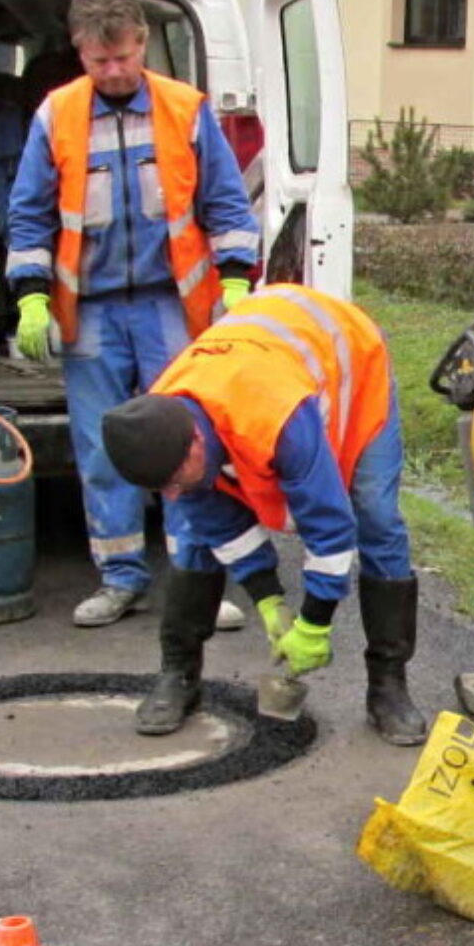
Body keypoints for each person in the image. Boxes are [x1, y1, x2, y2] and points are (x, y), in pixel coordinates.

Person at [5, 0, 261, 628]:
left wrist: (234, 281)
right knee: (102, 447)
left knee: (188, 445)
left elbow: (227, 204)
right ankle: (120, 578)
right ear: (80, 54)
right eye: (98, 61)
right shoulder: (56, 115)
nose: (113, 71)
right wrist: (32, 297)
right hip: (89, 311)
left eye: (121, 57)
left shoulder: (186, 109)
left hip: (170, 308)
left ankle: (195, 580)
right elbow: (29, 213)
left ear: (142, 44)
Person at [99, 283, 426, 745]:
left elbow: (330, 531)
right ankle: (179, 674)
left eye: (175, 478)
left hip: (352, 359)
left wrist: (314, 623)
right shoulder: (161, 425)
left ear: (195, 441)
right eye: (161, 488)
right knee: (196, 539)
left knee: (374, 513)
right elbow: (221, 526)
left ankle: (388, 686)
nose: (171, 494)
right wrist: (268, 599)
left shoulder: (276, 418)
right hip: (265, 364)